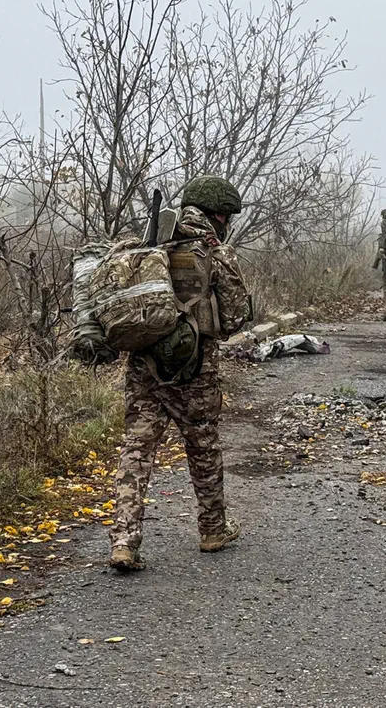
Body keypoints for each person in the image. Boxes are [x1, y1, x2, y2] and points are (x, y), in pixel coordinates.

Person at [109, 176, 252, 572]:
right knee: (203, 447)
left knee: (137, 450)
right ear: (219, 215)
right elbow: (235, 319)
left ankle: (124, 541)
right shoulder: (216, 252)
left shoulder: (149, 244)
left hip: (144, 368)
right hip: (196, 371)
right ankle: (212, 530)